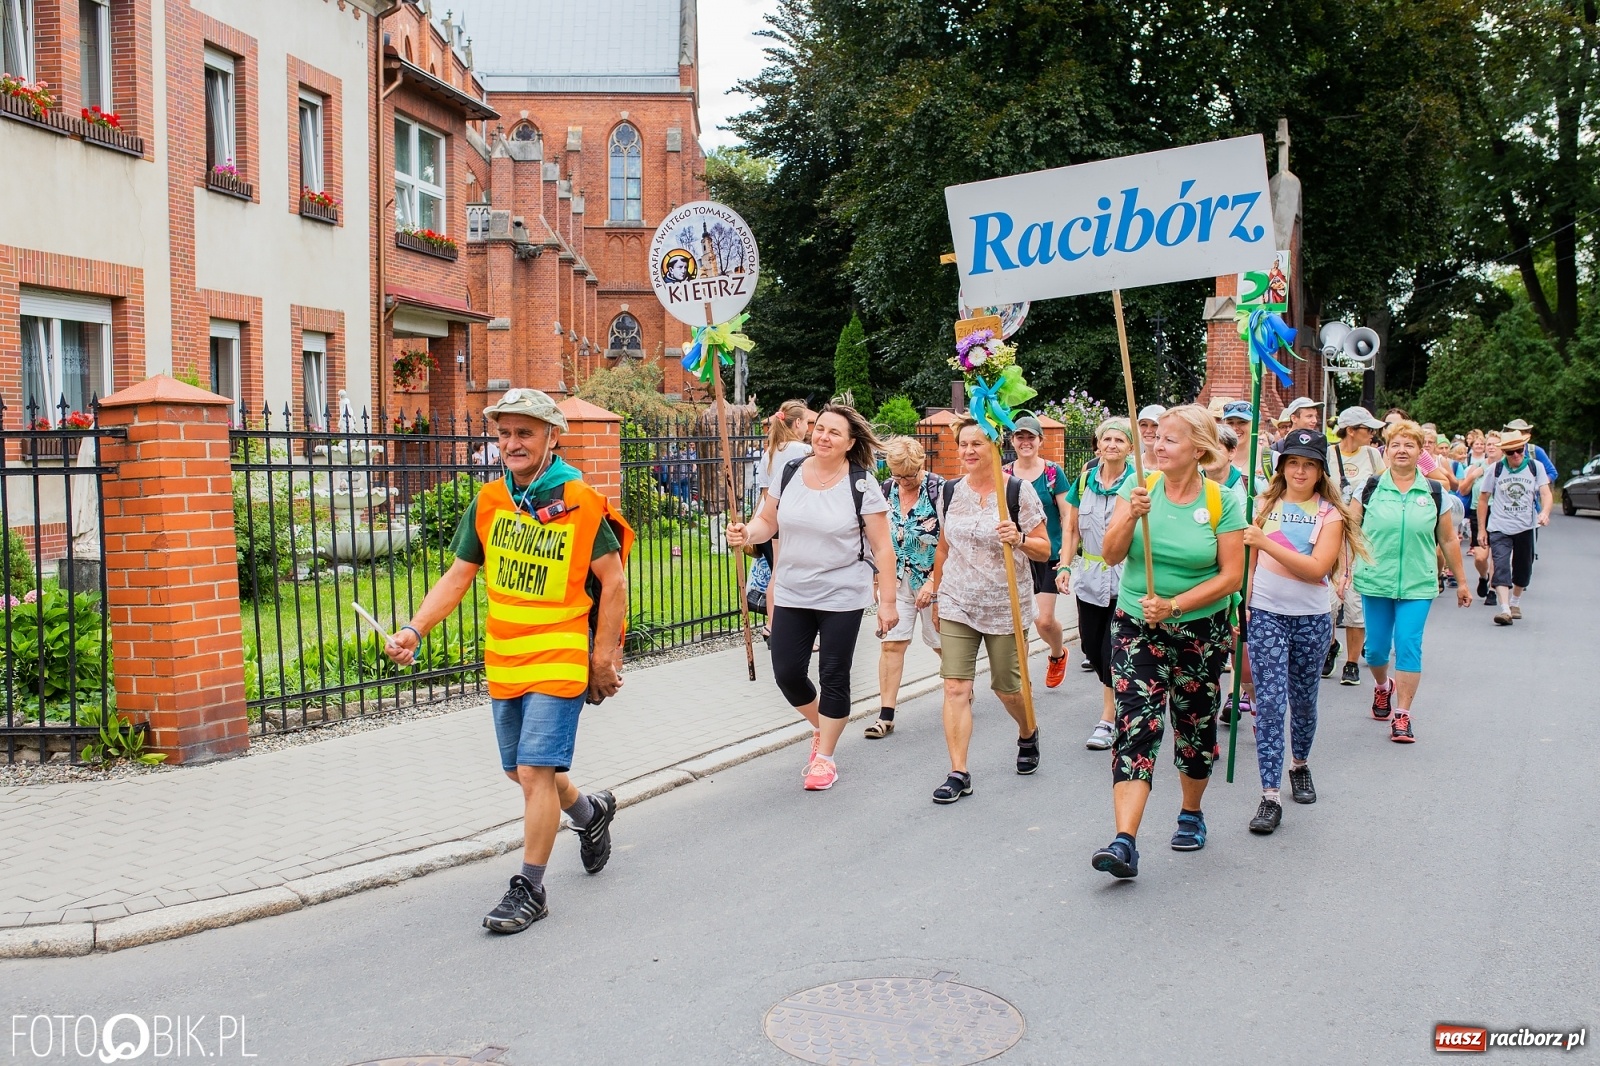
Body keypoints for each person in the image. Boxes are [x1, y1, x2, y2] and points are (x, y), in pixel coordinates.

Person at [385, 389, 631, 935]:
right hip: (505, 655)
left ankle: (530, 889)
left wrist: (601, 657)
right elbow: (458, 575)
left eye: (525, 433)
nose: (512, 444)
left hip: (561, 652)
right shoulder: (490, 501)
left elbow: (613, 581)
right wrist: (414, 628)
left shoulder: (578, 500)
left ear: (551, 436)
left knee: (535, 770)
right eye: (504, 433)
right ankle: (590, 813)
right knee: (520, 773)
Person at [1090, 405, 1246, 879]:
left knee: (1194, 727)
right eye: (1156, 437)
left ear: (1198, 449)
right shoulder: (1140, 488)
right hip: (1138, 625)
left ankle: (1191, 813)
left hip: (1200, 630)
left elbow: (1232, 574)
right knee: (1136, 725)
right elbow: (1110, 554)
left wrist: (1176, 605)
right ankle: (1124, 841)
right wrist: (1128, 517)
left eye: (1170, 440)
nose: (1157, 445)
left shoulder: (1222, 501)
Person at [726, 404, 897, 791]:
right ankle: (824, 725)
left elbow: (883, 548)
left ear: (850, 442)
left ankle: (825, 757)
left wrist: (887, 602)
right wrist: (746, 533)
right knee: (786, 672)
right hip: (792, 591)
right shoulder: (790, 472)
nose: (823, 436)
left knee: (834, 675)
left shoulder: (861, 484)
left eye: (834, 432)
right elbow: (767, 521)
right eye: (820, 428)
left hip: (842, 595)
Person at [1242, 428, 1368, 834]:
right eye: (1293, 462)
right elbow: (1248, 560)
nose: (1300, 470)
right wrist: (1242, 605)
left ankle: (1300, 764)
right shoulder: (1262, 504)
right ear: (1282, 466)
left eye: (1309, 464)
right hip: (1266, 614)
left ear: (1320, 471)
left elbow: (1316, 568)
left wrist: (1266, 541)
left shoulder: (1330, 514)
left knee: (1303, 701)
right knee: (1271, 703)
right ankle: (1269, 795)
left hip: (1311, 618)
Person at [923, 416, 1051, 803]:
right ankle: (958, 771)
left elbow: (1045, 549)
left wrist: (1021, 538)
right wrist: (936, 587)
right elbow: (944, 547)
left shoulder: (1017, 491)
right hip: (958, 602)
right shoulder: (948, 491)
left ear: (995, 447)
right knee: (955, 687)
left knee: (1008, 688)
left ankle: (1028, 732)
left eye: (977, 444)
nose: (968, 451)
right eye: (963, 444)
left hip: (1004, 605)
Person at [1348, 420, 1472, 744]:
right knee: (1374, 651)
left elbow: (1447, 539)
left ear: (1421, 451)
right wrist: (1342, 571)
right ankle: (1381, 687)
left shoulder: (1434, 492)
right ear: (1386, 450)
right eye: (1396, 445)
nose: (1402, 450)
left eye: (1409, 445)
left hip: (1418, 583)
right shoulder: (1369, 488)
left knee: (1408, 645)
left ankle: (1402, 715)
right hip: (1375, 580)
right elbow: (1349, 532)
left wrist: (1462, 582)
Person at [1060, 418, 1135, 751]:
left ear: (1130, 448)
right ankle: (1126, 701)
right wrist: (1064, 564)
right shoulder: (1085, 480)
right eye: (1107, 439)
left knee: (1110, 652)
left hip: (1125, 581)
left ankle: (1109, 719)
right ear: (1097, 445)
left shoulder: (1139, 483)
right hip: (1089, 581)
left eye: (1120, 440)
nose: (1113, 445)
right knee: (1090, 646)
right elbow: (1072, 528)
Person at [869, 437, 944, 738]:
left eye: (908, 475)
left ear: (920, 466)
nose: (902, 481)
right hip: (897, 580)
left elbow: (950, 543)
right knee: (892, 644)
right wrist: (878, 579)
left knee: (940, 642)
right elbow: (878, 540)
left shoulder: (939, 491)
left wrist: (934, 583)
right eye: (896, 475)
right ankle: (885, 715)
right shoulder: (886, 490)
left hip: (933, 580)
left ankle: (959, 684)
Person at [1003, 415, 1072, 686]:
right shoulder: (1005, 474)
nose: (1025, 442)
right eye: (1020, 437)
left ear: (1040, 440)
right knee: (1019, 626)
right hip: (1017, 555)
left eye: (1031, 437)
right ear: (1012, 441)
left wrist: (1066, 559)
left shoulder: (1053, 473)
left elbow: (1067, 518)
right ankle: (1023, 680)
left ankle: (1057, 653)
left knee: (1043, 622)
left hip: (1047, 555)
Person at [1324, 406, 1386, 684]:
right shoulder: (1327, 454)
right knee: (1327, 601)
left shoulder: (1373, 456)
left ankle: (1352, 661)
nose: (1372, 434)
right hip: (1328, 532)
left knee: (1355, 600)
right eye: (1367, 429)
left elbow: (1384, 488)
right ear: (1351, 430)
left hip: (1360, 536)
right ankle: (1329, 646)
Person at [1476, 429, 1552, 626]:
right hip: (1500, 526)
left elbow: (1545, 493)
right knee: (1500, 566)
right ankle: (1505, 609)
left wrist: (1544, 512)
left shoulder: (1536, 467)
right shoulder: (1496, 469)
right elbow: (1483, 498)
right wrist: (1482, 530)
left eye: (1519, 450)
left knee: (1523, 567)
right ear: (1504, 453)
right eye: (1511, 452)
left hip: (1526, 526)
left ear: (1524, 448)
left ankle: (1515, 601)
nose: (1516, 455)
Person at [1137, 404, 1165, 473]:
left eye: (1155, 425)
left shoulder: (1173, 466)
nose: (1148, 431)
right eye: (1144, 425)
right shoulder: (1132, 465)